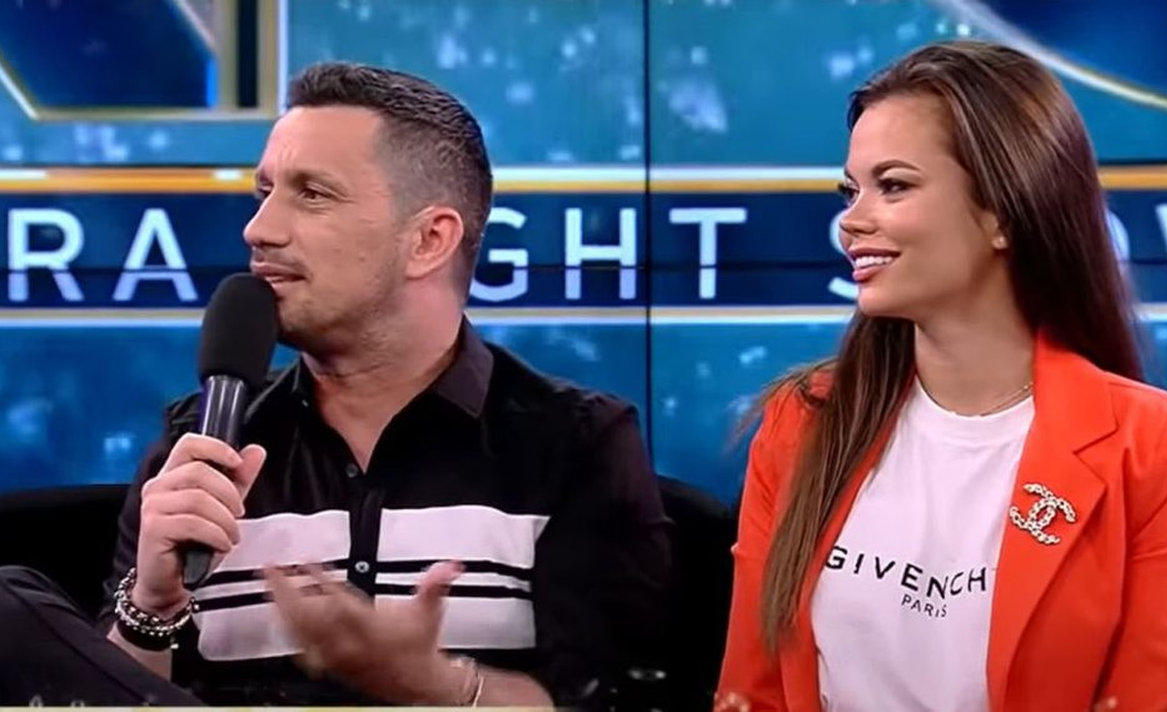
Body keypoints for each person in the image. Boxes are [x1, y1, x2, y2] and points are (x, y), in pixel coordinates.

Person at [0, 61, 670, 708]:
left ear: (429, 240)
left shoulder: (576, 443)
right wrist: (153, 604)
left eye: (312, 195)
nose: (259, 229)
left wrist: (436, 686)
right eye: (265, 193)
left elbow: (613, 701)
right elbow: (108, 697)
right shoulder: (196, 443)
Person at [716, 40, 1167, 712]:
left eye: (893, 186)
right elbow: (750, 693)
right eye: (852, 190)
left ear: (1002, 214)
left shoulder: (1151, 446)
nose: (851, 221)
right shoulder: (803, 422)